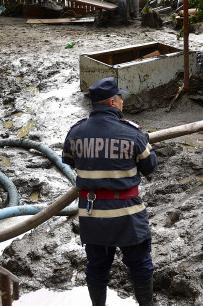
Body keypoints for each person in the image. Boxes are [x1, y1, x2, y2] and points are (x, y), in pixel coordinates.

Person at [62, 77, 158, 306]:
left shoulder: (75, 133)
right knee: (139, 264)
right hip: (128, 214)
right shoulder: (133, 133)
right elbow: (150, 167)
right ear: (113, 103)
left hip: (92, 214)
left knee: (96, 266)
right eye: (121, 98)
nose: (122, 102)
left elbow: (68, 161)